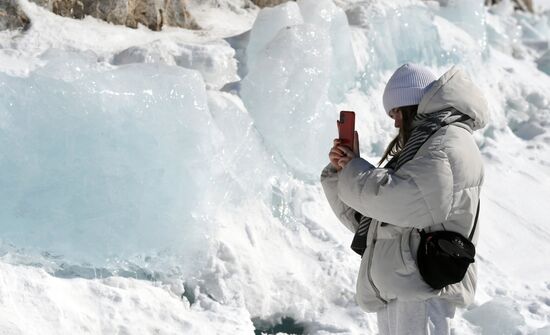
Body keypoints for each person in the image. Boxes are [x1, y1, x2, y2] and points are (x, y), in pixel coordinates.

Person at [320, 63, 488, 335]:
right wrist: (343, 172)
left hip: (423, 286)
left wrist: (357, 171)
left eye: (397, 112)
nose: (395, 122)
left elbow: (406, 203)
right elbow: (379, 222)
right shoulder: (428, 144)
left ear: (413, 106)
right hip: (407, 282)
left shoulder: (445, 142)